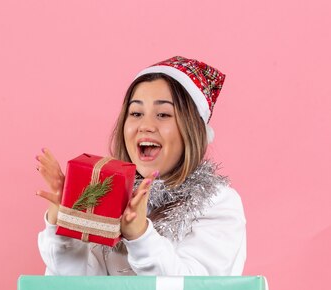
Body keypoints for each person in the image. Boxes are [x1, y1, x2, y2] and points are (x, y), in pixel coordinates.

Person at [35, 56, 246, 276]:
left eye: (163, 114)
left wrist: (139, 235)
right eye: (135, 113)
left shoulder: (218, 202)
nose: (145, 126)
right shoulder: (108, 192)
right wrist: (64, 224)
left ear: (192, 130)